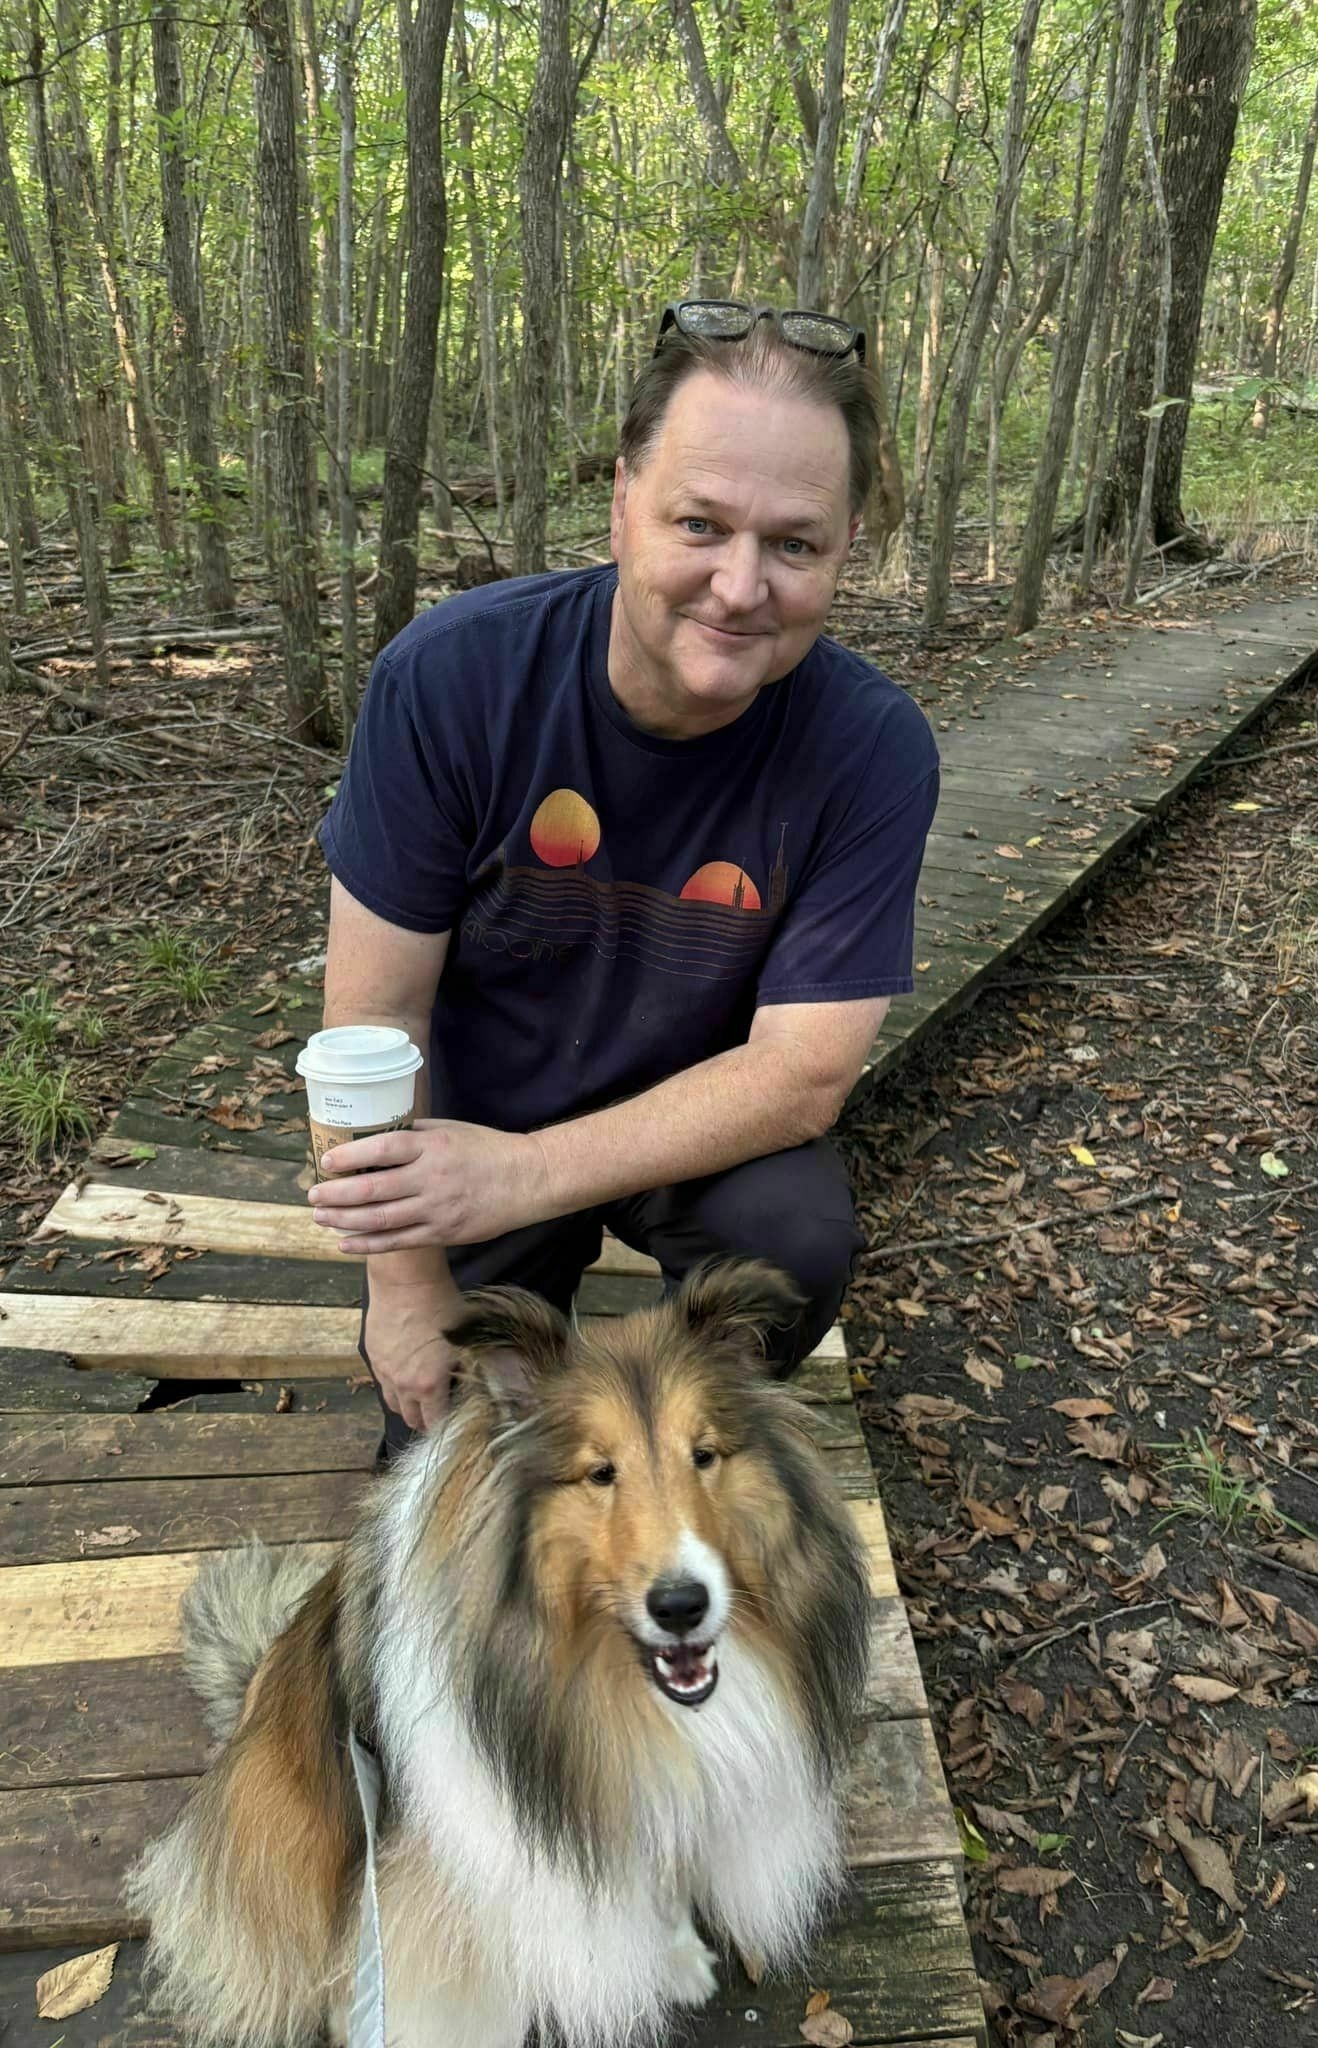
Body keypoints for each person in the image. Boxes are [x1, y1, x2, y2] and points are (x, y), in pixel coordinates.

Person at [308, 300, 939, 1461]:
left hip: (689, 1130)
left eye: (794, 543)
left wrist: (536, 1173)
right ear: (621, 503)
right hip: (472, 1120)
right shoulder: (453, 681)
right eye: (699, 524)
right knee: (453, 1465)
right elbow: (371, 1022)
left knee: (792, 1238)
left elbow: (801, 1077)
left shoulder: (870, 748)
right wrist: (400, 1287)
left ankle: (666, 1434)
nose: (741, 587)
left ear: (847, 544)